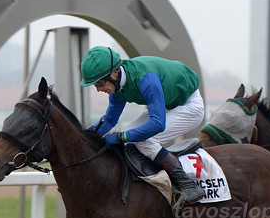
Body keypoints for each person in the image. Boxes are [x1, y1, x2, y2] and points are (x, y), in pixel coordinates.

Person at [80, 46, 205, 204]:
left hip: (189, 107)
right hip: (166, 104)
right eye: (95, 85)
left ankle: (187, 184)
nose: (98, 90)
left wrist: (121, 137)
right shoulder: (116, 86)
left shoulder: (146, 78)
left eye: (100, 83)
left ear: (115, 73)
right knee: (129, 135)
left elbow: (157, 124)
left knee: (140, 137)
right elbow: (110, 120)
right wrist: (87, 136)